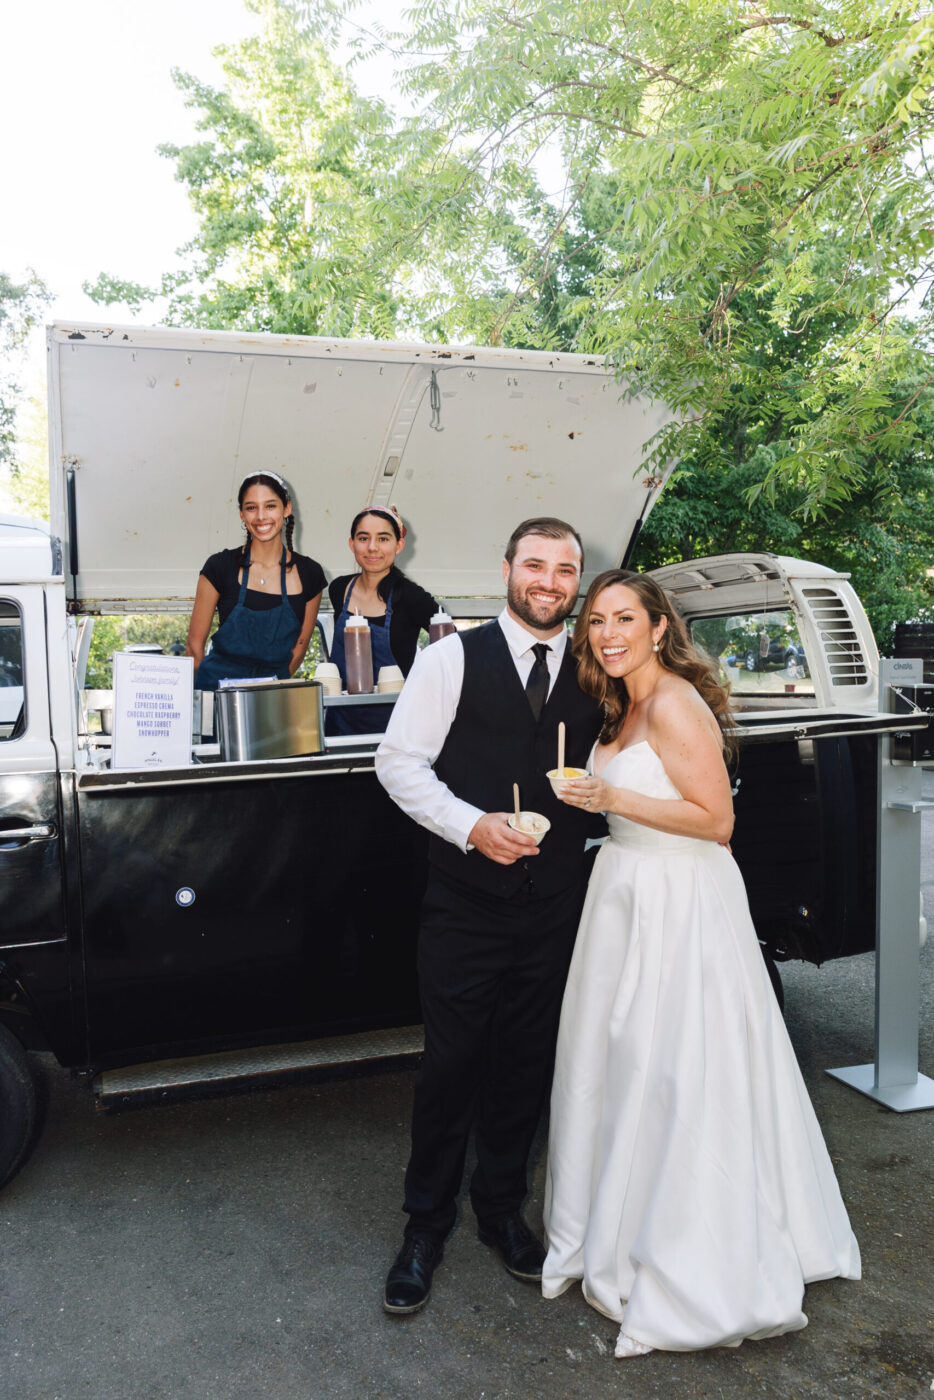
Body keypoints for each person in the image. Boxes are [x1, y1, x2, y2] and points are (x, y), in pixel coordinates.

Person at [541, 569, 860, 1358]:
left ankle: (695, 1248)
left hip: (680, 899)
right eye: (597, 623)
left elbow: (715, 821)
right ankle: (622, 1224)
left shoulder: (677, 702)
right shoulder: (618, 708)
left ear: (658, 627)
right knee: (622, 1068)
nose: (608, 633)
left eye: (624, 618)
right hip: (623, 892)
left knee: (680, 1070)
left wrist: (609, 800)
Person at [374, 517, 605, 1315]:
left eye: (565, 569)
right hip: (465, 906)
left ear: (579, 579)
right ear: (507, 568)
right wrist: (472, 826)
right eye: (535, 564)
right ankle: (424, 1225)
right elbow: (396, 762)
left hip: (555, 909)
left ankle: (500, 1210)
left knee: (524, 1064)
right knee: (452, 1066)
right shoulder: (449, 659)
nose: (549, 580)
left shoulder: (596, 665)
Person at [186, 472, 325, 690]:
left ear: (286, 509)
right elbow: (194, 647)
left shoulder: (310, 573)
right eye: (251, 508)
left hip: (271, 699)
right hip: (216, 692)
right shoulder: (219, 566)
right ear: (242, 514)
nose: (261, 516)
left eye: (270, 506)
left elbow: (299, 648)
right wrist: (206, 703)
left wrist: (264, 693)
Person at [327, 506, 437, 735]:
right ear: (351, 544)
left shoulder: (411, 597)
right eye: (363, 538)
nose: (372, 547)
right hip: (340, 721)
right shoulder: (339, 589)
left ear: (399, 546)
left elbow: (451, 643)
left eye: (383, 538)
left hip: (395, 725)